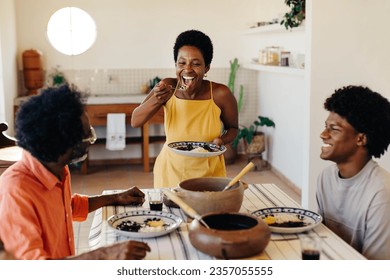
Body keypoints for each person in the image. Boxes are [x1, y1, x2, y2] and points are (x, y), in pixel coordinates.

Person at [0, 85, 151, 260]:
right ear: (63, 145)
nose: (90, 142)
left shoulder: (56, 167)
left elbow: (65, 207)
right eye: (87, 136)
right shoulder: (16, 191)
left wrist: (114, 198)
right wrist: (103, 255)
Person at [131, 29, 238, 188]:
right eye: (182, 63)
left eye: (196, 63)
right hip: (170, 171)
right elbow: (135, 121)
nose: (187, 69)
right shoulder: (168, 86)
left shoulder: (220, 93)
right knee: (170, 213)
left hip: (210, 173)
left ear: (207, 67)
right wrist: (157, 99)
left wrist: (222, 140)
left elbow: (233, 128)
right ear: (175, 65)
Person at [316, 85, 390, 260]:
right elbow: (323, 239)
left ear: (361, 139)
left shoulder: (382, 194)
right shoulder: (325, 178)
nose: (323, 134)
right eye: (326, 126)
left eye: (334, 129)